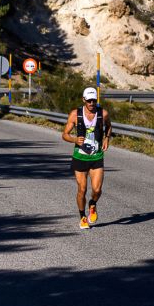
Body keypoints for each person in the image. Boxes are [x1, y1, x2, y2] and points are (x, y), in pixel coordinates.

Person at [62, 87, 112, 229]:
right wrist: (74, 140)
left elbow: (109, 126)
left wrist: (107, 138)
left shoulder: (103, 113)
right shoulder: (75, 115)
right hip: (80, 157)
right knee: (82, 189)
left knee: (97, 190)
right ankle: (82, 216)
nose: (91, 103)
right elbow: (64, 134)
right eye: (89, 100)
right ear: (83, 100)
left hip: (96, 156)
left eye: (94, 100)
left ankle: (93, 204)